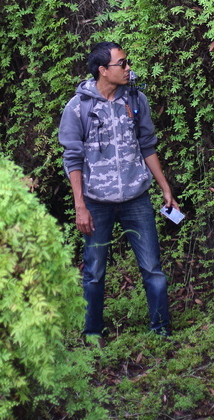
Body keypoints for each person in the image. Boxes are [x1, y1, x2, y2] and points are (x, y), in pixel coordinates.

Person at [58, 41, 180, 340]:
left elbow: (147, 146)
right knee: (95, 271)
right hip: (96, 201)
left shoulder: (136, 100)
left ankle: (160, 329)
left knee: (152, 267)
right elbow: (72, 159)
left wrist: (166, 190)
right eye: (122, 64)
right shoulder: (78, 108)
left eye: (128, 62)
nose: (129, 68)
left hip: (136, 199)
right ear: (103, 70)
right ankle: (92, 332)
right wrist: (80, 206)